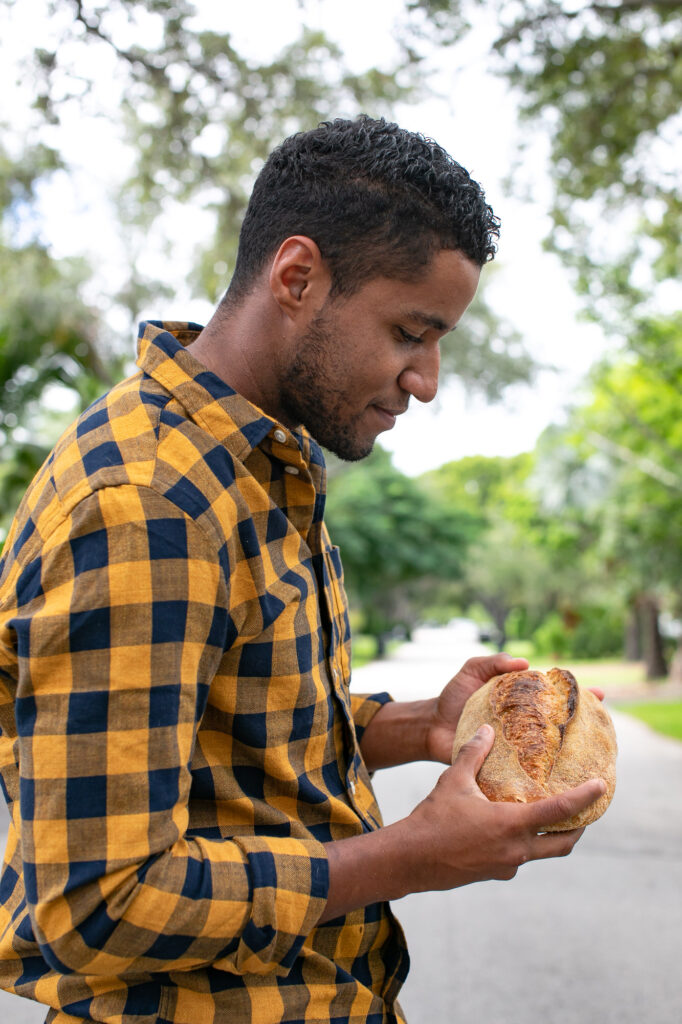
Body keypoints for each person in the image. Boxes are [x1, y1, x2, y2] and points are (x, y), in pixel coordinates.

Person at [0, 116, 605, 1024]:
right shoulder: (146, 504)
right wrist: (408, 854)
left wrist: (417, 727)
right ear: (297, 278)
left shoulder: (261, 463)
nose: (428, 379)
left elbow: (237, 739)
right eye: (410, 331)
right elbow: (95, 904)